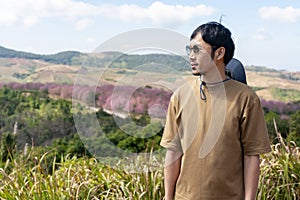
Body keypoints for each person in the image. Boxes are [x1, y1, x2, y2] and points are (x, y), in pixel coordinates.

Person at [160, 21, 271, 200]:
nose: (191, 56)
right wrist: (167, 197)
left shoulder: (246, 99)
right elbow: (173, 151)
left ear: (219, 52)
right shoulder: (181, 95)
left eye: (198, 50)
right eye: (190, 50)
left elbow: (251, 156)